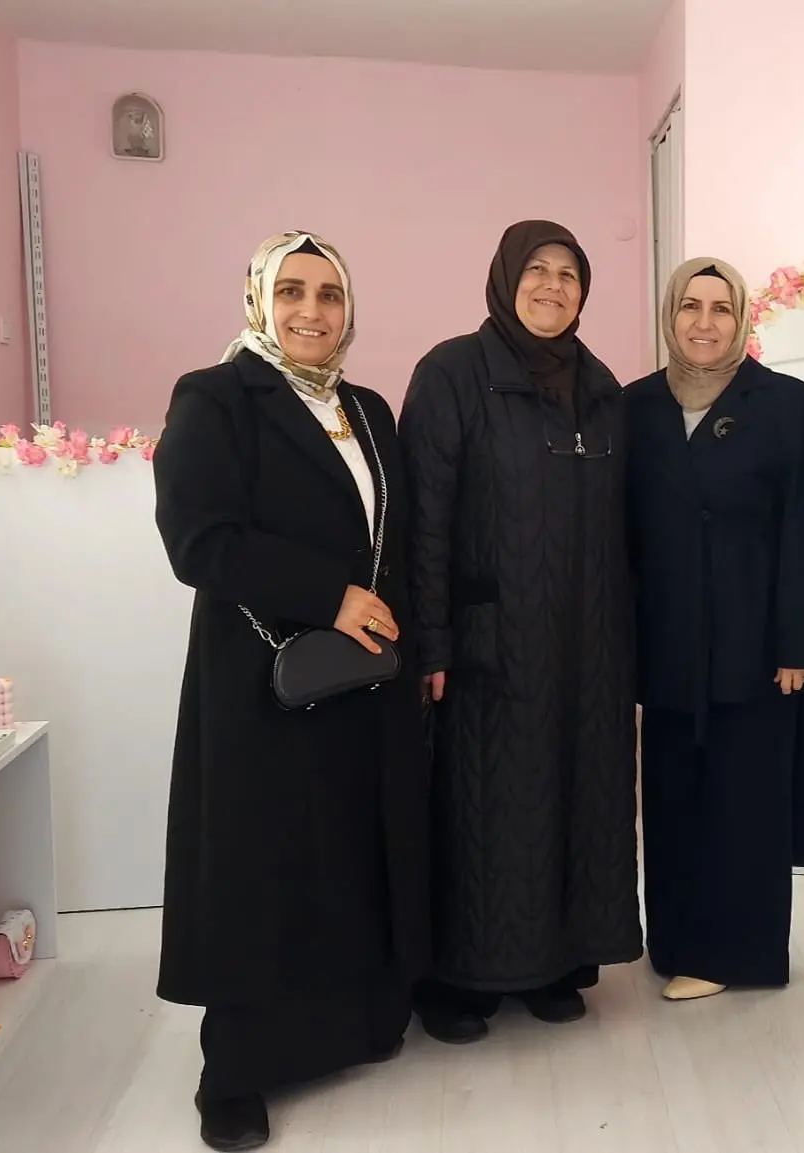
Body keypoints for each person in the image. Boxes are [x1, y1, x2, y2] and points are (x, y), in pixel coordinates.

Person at [153, 231, 427, 1151]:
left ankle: (348, 1028)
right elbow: (198, 538)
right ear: (260, 301)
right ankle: (233, 1072)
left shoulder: (367, 407)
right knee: (261, 866)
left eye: (330, 294)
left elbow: (396, 537)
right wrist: (327, 595)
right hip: (261, 680)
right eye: (292, 292)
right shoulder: (217, 397)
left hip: (363, 680)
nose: (312, 311)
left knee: (347, 851)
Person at [400, 220, 641, 1041]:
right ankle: (457, 978)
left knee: (573, 800)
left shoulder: (601, 389)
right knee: (484, 808)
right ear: (505, 279)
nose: (552, 286)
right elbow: (424, 521)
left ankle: (551, 963)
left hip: (588, 642)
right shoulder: (451, 375)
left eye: (568, 274)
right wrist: (430, 641)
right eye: (536, 269)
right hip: (488, 645)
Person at [625, 257, 804, 1000]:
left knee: (746, 801)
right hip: (667, 638)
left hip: (756, 640)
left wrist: (799, 641)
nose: (704, 323)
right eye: (690, 306)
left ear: (742, 319)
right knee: (673, 796)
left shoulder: (784, 401)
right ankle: (677, 943)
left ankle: (736, 954)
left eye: (721, 308)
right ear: (670, 315)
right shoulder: (635, 405)